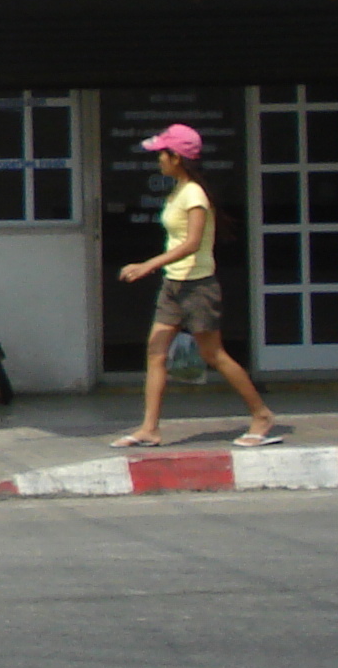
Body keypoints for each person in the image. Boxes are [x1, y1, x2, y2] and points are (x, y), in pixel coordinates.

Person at [114, 123, 276, 449]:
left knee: (213, 354)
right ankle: (149, 428)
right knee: (155, 352)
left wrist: (147, 265)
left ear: (177, 157)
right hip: (173, 283)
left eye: (162, 153)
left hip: (197, 285)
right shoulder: (178, 190)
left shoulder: (194, 195)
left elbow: (192, 244)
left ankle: (261, 415)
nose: (159, 158)